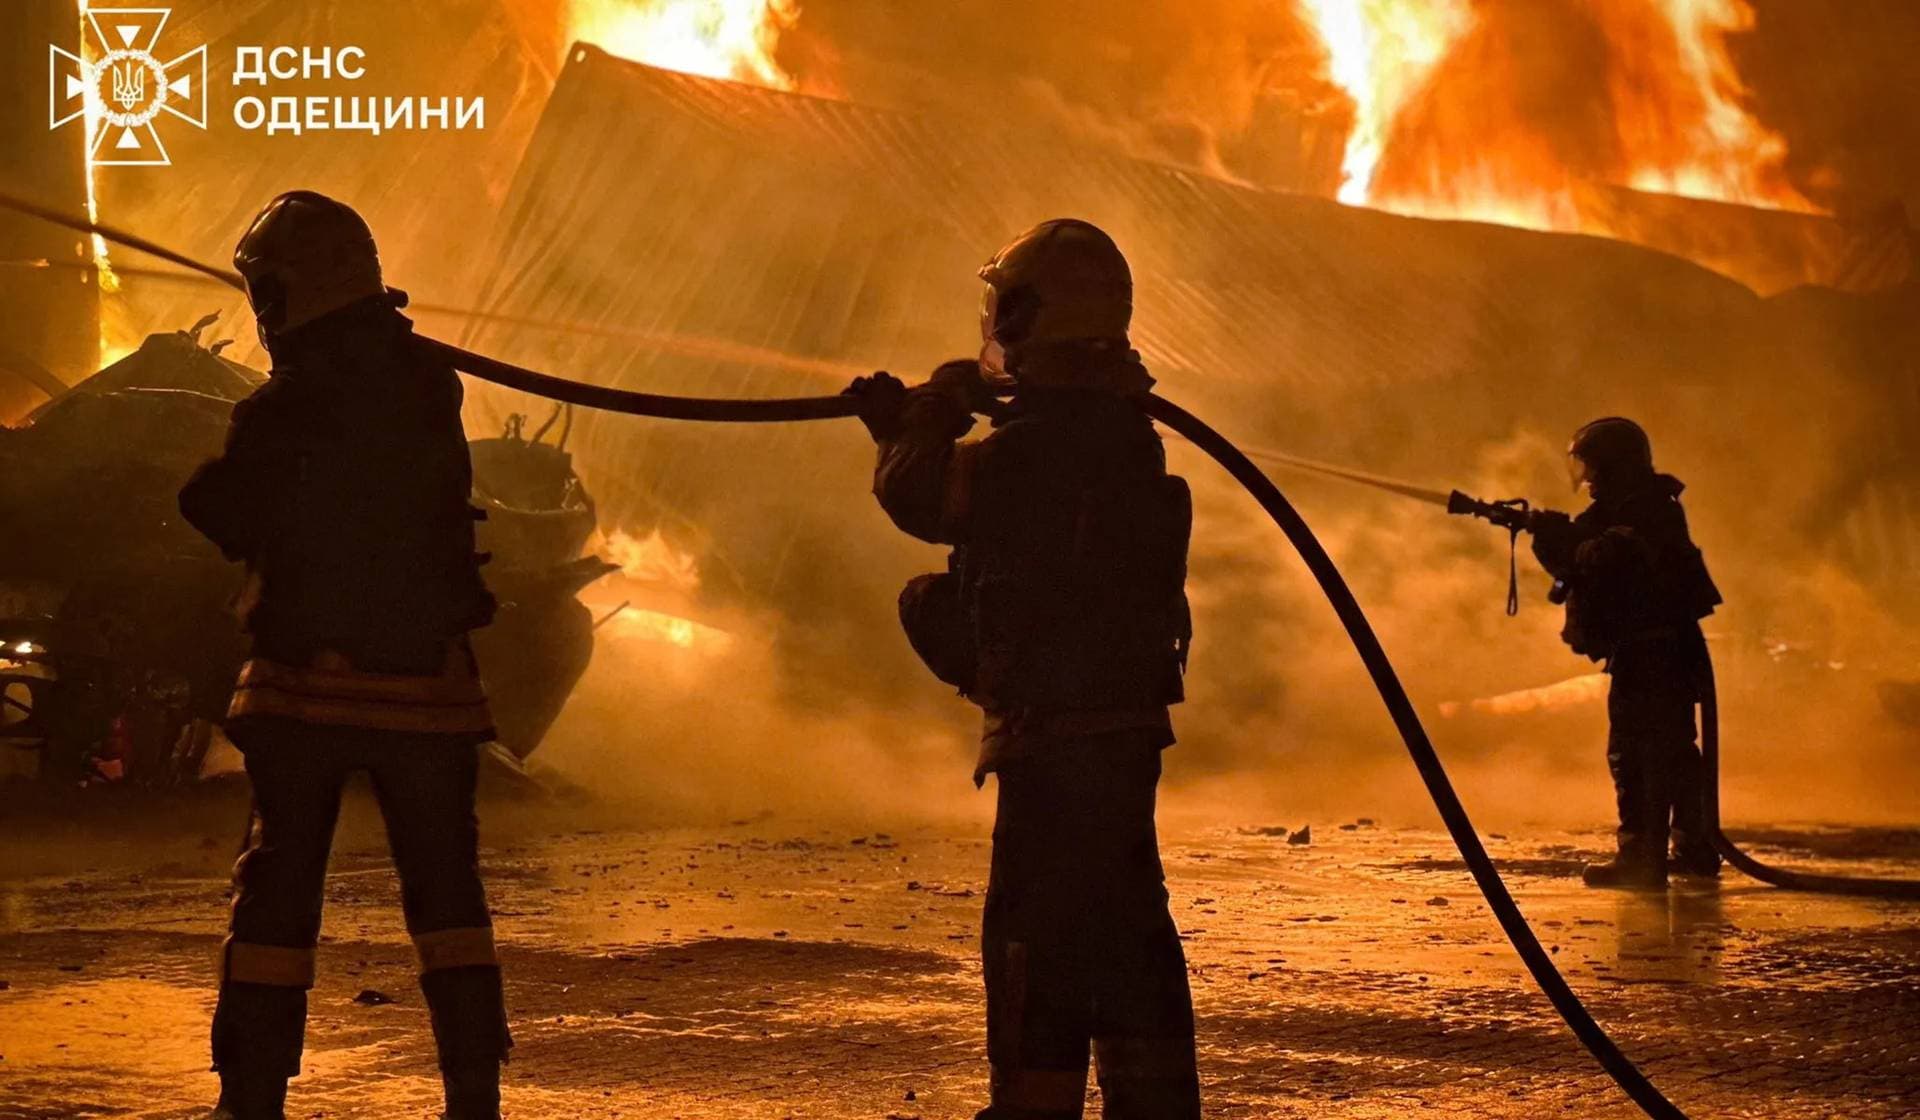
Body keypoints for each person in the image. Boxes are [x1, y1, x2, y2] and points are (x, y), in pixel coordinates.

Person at [846, 219, 1201, 1120]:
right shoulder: (1119, 430)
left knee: (1033, 933)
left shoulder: (1044, 443)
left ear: (1026, 317)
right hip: (1120, 730)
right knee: (1127, 926)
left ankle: (1030, 1109)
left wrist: (921, 419)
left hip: (1052, 733)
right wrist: (922, 421)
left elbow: (921, 495)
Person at [178, 191, 509, 1119]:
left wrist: (201, 482)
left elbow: (228, 511)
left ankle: (251, 1093)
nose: (264, 315)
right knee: (449, 895)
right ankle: (473, 1088)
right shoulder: (429, 384)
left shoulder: (284, 407)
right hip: (427, 688)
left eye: (270, 294)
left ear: (303, 292)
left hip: (306, 689)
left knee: (277, 892)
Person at [1529, 417, 1723, 890]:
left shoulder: (1650, 510)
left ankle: (1642, 855)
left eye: (1594, 466)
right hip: (1661, 652)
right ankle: (1692, 846)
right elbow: (1584, 554)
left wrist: (1561, 542)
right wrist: (1549, 534)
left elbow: (1605, 562)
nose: (1588, 478)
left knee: (1637, 753)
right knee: (1672, 751)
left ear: (1616, 465)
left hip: (1653, 655)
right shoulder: (1636, 507)